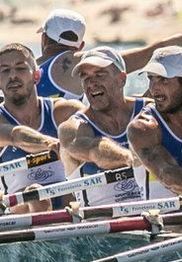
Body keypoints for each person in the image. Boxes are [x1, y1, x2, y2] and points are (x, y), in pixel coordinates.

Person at [37, 2, 182, 99]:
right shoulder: (80, 62)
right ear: (80, 46)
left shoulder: (20, 66)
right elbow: (158, 52)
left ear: (44, 38)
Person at [0, 42, 77, 211]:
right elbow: (17, 136)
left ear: (36, 76)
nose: (13, 76)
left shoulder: (63, 111)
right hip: (22, 211)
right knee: (35, 193)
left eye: (20, 68)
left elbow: (96, 121)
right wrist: (51, 144)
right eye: (5, 70)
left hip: (66, 203)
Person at [57, 46, 146, 208]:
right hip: (100, 223)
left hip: (156, 215)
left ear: (122, 79)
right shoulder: (73, 128)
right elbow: (94, 151)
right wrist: (133, 159)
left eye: (100, 75)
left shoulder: (149, 111)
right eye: (85, 77)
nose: (91, 83)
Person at [125, 45, 182, 201]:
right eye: (151, 79)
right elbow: (170, 176)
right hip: (163, 221)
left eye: (163, 80)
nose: (153, 89)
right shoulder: (143, 127)